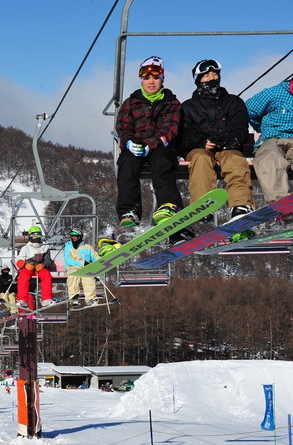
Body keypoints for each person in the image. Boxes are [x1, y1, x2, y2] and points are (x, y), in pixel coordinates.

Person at [115, 56, 191, 245]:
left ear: (162, 78)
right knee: (126, 163)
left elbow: (170, 129)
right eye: (146, 77)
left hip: (160, 146)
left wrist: (151, 144)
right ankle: (129, 209)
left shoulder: (171, 102)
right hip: (136, 145)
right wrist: (129, 142)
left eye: (155, 77)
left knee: (162, 164)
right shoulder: (131, 102)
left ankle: (168, 206)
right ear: (141, 79)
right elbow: (123, 127)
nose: (151, 81)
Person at [180, 59, 254, 220]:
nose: (212, 77)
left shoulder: (233, 102)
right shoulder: (187, 107)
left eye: (215, 74)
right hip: (200, 148)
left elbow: (240, 127)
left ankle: (241, 205)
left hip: (227, 147)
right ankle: (202, 207)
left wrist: (231, 141)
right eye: (206, 75)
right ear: (198, 80)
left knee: (234, 160)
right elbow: (181, 136)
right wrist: (200, 142)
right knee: (201, 159)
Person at [246, 78, 293, 206]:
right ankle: (280, 204)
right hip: (273, 137)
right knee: (270, 158)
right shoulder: (274, 93)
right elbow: (248, 109)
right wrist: (260, 127)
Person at [15, 225, 53, 310]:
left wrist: (43, 265)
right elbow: (19, 260)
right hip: (29, 267)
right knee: (23, 276)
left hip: (40, 268)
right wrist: (25, 265)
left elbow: (48, 261)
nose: (36, 238)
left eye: (38, 236)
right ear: (30, 236)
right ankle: (22, 299)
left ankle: (46, 299)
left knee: (46, 275)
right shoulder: (26, 248)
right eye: (34, 236)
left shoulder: (45, 247)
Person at [63, 229, 100, 308]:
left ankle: (91, 299)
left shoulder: (87, 247)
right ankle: (74, 299)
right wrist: (82, 263)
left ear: (79, 237)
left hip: (86, 268)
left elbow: (96, 257)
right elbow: (68, 260)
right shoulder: (68, 247)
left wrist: (97, 264)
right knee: (73, 277)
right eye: (71, 236)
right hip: (73, 267)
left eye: (74, 236)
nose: (72, 238)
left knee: (89, 278)